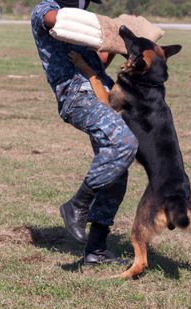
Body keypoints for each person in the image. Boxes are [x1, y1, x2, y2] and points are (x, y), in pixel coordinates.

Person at [31, 0, 138, 264]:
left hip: (103, 93)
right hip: (77, 96)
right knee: (124, 143)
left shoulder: (85, 21)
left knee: (117, 169)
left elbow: (99, 59)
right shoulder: (45, 9)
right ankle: (77, 205)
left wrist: (115, 41)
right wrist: (98, 25)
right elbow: (53, 21)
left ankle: (96, 250)